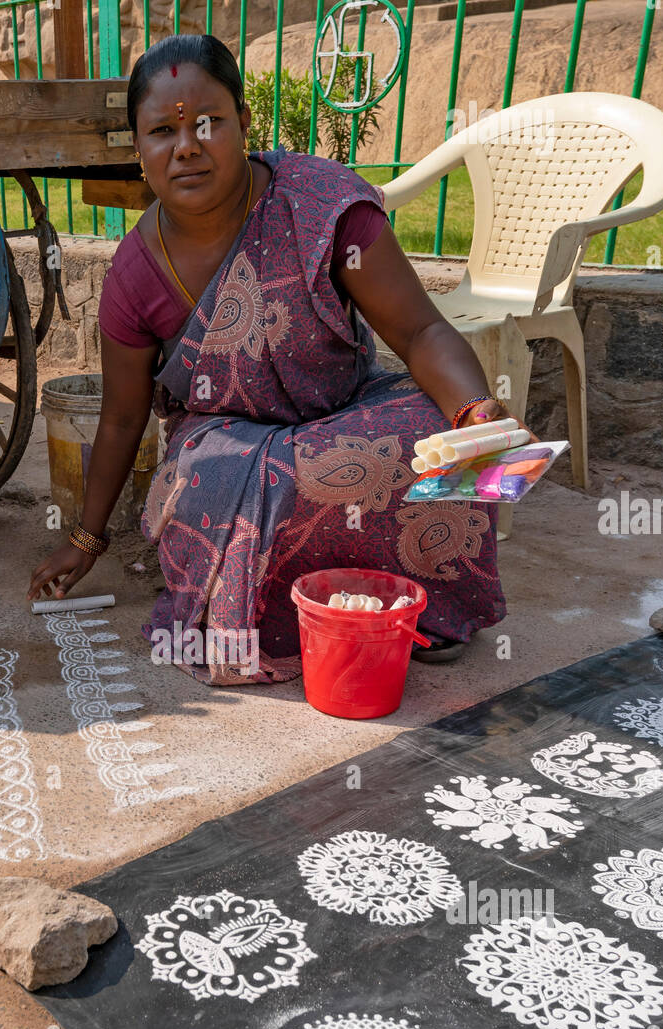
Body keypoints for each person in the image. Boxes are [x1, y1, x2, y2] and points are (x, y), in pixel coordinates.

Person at [28, 33, 531, 683]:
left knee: (437, 437)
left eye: (208, 123)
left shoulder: (320, 206)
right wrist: (84, 539)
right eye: (161, 131)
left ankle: (421, 612)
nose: (187, 146)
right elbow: (123, 419)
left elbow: (419, 334)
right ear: (138, 152)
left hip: (347, 411)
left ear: (243, 123)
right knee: (232, 483)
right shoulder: (133, 274)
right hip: (224, 448)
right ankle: (288, 613)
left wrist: (477, 415)